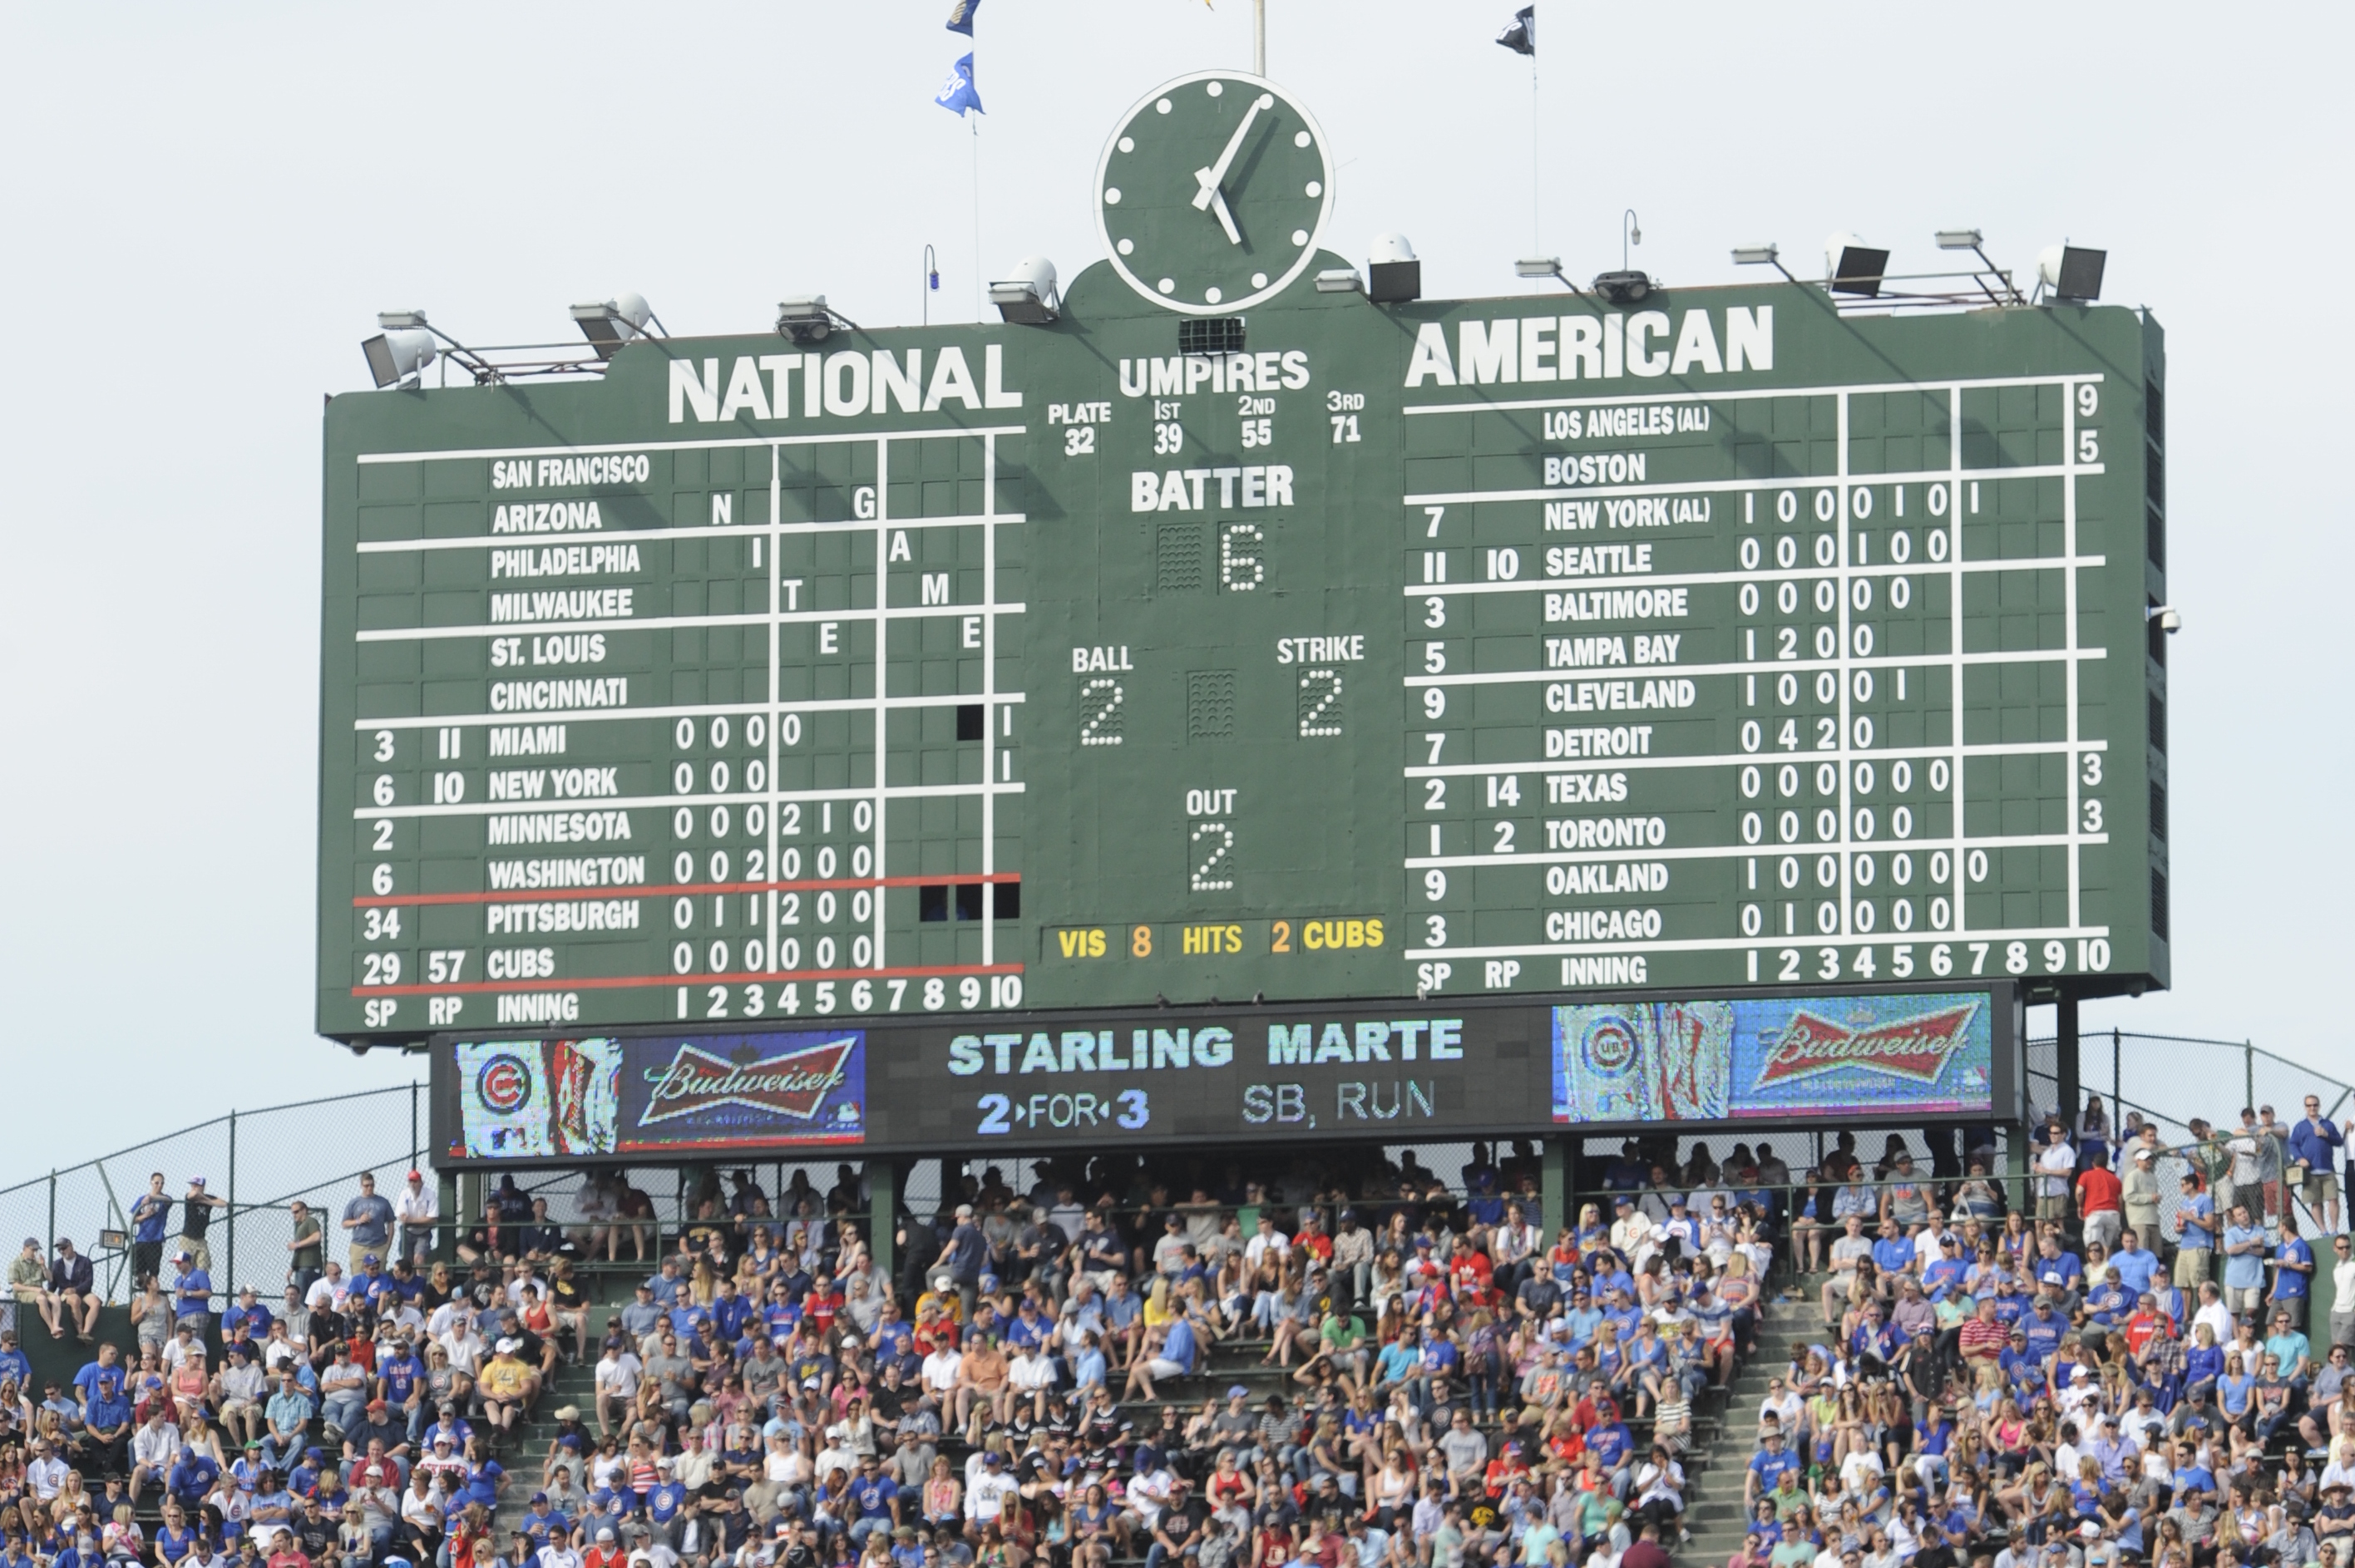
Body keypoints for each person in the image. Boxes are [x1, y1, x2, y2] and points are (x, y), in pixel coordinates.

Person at [42, 1239, 100, 1341]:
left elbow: (89, 1282)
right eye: (59, 1249)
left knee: (96, 1302)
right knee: (74, 1300)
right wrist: (49, 1295)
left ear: (71, 1246)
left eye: (64, 1248)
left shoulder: (85, 1261)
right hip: (66, 1293)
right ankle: (80, 1332)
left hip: (83, 1291)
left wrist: (75, 1289)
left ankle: (86, 1332)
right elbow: (52, 1285)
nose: (62, 1251)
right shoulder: (56, 1264)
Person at [343, 1176, 397, 1277]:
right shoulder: (354, 1202)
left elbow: (391, 1222)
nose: (369, 1188)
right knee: (358, 1277)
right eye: (366, 1185)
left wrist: (388, 1244)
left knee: (380, 1277)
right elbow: (345, 1223)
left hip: (379, 1246)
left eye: (371, 1185)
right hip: (359, 1245)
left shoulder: (383, 1202)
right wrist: (358, 1221)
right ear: (361, 1186)